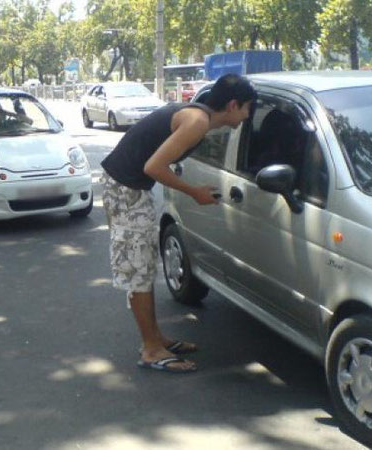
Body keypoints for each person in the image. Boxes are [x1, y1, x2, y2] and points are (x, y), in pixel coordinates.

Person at [99, 74, 257, 373]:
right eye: (247, 108)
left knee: (144, 266)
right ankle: (151, 350)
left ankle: (156, 338)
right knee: (139, 270)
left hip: (129, 188)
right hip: (125, 190)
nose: (248, 116)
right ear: (233, 105)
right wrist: (194, 192)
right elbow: (153, 167)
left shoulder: (196, 115)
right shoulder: (196, 122)